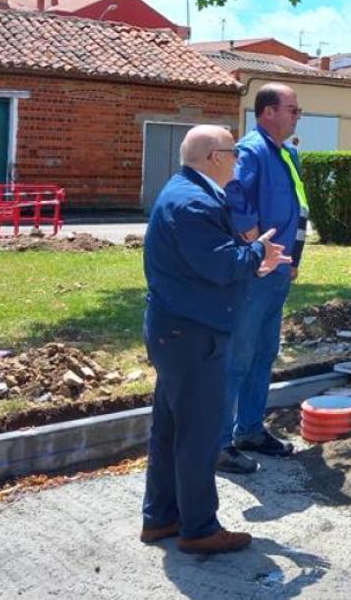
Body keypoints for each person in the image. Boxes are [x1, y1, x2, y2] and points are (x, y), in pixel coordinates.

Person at [140, 125, 290, 554]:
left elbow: (208, 263)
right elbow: (221, 265)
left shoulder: (189, 193)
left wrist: (252, 261)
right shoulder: (192, 203)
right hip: (192, 334)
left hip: (179, 330)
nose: (240, 161)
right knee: (199, 435)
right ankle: (199, 528)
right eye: (234, 153)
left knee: (171, 431)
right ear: (213, 157)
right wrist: (258, 254)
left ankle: (161, 517)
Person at [219, 83, 309, 474]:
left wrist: (294, 258)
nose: (297, 115)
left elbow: (299, 208)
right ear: (267, 112)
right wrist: (258, 246)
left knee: (264, 353)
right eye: (292, 109)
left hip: (280, 270)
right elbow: (234, 195)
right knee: (239, 356)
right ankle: (219, 442)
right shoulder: (252, 150)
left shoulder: (287, 154)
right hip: (256, 271)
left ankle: (250, 429)